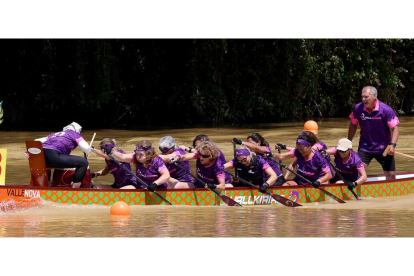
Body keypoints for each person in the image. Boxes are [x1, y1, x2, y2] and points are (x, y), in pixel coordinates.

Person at [348, 86, 400, 180]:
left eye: (366, 97)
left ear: (374, 96)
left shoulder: (385, 110)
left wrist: (393, 145)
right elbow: (353, 125)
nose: (363, 99)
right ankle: (356, 189)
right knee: (357, 172)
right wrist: (348, 141)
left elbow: (395, 128)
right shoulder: (358, 108)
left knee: (391, 177)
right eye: (362, 97)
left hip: (384, 148)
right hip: (365, 147)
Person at [26, 122, 92, 188]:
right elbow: (86, 148)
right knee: (83, 162)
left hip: (39, 155)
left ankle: (46, 187)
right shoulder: (75, 134)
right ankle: (75, 189)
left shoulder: (54, 134)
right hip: (52, 155)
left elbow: (36, 141)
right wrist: (89, 150)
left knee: (47, 166)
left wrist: (28, 152)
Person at [102, 140, 170, 192]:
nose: (138, 157)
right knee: (123, 190)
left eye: (141, 154)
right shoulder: (135, 158)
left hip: (156, 189)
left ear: (148, 154)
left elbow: (166, 175)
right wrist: (111, 152)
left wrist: (155, 184)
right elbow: (122, 157)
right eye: (137, 154)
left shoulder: (157, 161)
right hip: (141, 189)